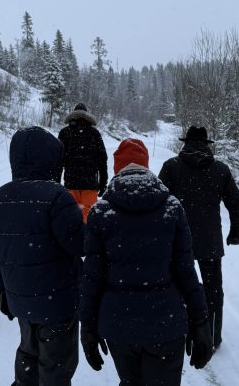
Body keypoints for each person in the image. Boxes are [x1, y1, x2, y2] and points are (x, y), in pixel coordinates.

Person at [80, 138, 213, 386]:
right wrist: (201, 321)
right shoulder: (172, 208)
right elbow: (186, 272)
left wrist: (87, 326)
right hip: (166, 325)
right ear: (146, 167)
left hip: (119, 326)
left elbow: (92, 276)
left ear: (116, 169)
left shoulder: (101, 212)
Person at [0, 126, 84, 386]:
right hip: (58, 303)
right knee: (56, 367)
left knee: (28, 356)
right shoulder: (57, 197)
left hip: (21, 301)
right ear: (53, 160)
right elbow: (79, 245)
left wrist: (2, 291)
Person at [158, 126, 239, 351]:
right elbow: (235, 202)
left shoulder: (171, 167)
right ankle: (213, 337)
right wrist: (236, 233)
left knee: (175, 284)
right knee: (213, 289)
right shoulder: (219, 169)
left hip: (177, 237)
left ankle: (176, 329)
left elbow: (158, 202)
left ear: (185, 143)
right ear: (207, 144)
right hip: (209, 238)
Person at [57, 103, 108, 222]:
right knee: (89, 220)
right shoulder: (94, 133)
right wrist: (103, 182)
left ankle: (72, 239)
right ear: (87, 115)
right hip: (90, 185)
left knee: (71, 219)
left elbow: (58, 161)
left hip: (70, 183)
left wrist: (56, 182)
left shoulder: (65, 133)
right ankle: (86, 239)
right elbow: (102, 159)